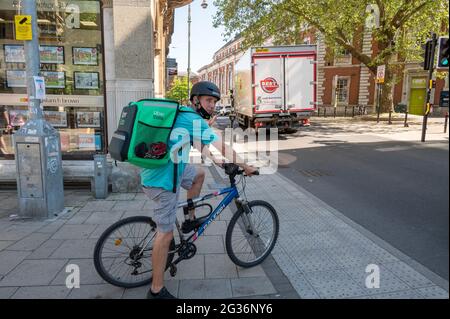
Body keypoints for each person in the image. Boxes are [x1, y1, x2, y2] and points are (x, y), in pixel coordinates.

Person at [141, 81, 257, 299]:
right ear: (196, 101)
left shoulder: (185, 116)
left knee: (199, 174)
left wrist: (222, 164)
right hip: (163, 180)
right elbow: (221, 145)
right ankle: (156, 290)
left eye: (214, 101)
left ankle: (189, 218)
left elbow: (200, 146)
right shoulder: (193, 119)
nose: (212, 105)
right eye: (208, 100)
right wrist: (245, 166)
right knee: (164, 234)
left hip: (171, 169)